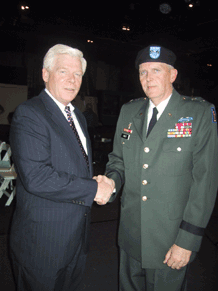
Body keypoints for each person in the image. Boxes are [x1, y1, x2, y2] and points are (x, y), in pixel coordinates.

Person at [95, 45, 218, 290]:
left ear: (172, 75)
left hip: (170, 239)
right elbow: (118, 160)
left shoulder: (199, 113)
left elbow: (205, 182)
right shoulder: (129, 111)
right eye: (143, 72)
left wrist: (187, 241)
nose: (148, 78)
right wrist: (111, 182)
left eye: (156, 70)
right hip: (130, 233)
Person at [9, 44, 113, 291]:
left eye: (77, 74)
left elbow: (76, 166)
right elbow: (37, 177)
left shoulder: (76, 115)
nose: (72, 80)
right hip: (43, 244)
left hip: (76, 237)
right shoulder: (30, 113)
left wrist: (100, 182)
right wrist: (94, 190)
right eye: (63, 71)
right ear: (45, 74)